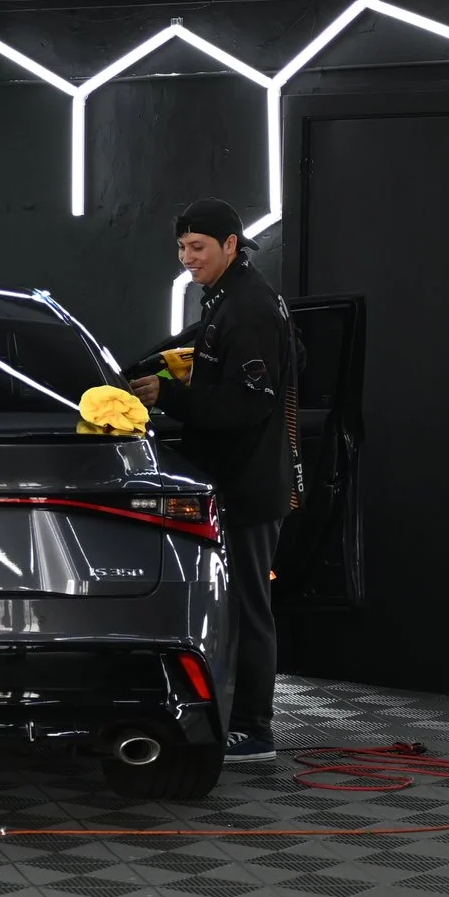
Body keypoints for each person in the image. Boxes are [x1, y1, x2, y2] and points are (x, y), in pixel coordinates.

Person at [127, 198, 297, 763]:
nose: (187, 258)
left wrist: (172, 395)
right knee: (234, 605)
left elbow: (249, 403)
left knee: (249, 607)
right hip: (237, 480)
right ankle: (237, 718)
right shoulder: (230, 300)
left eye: (197, 247)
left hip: (248, 486)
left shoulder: (246, 308)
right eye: (181, 248)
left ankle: (254, 728)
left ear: (231, 244)